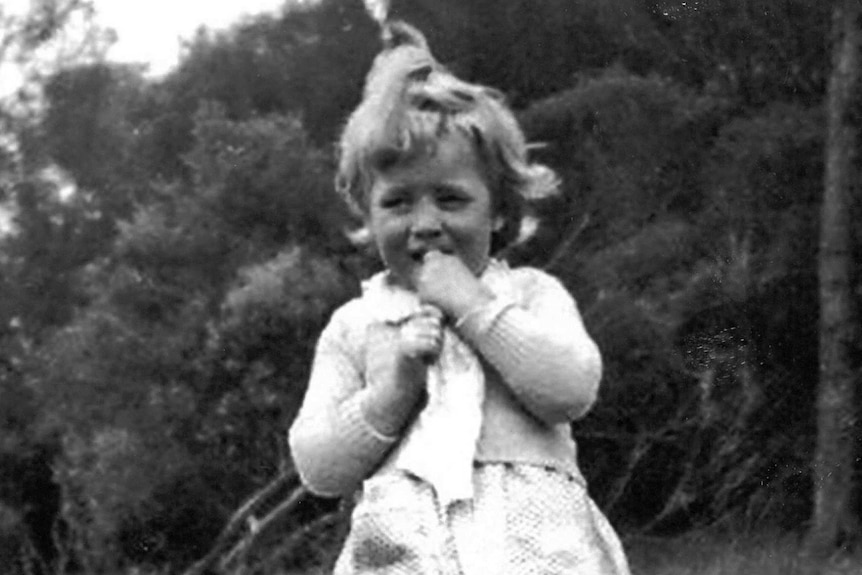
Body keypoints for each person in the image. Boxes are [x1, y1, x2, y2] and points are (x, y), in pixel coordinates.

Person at [289, 21, 631, 575]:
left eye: (450, 199)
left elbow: (571, 390)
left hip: (539, 553)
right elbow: (318, 467)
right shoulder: (356, 325)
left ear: (497, 209)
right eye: (398, 202)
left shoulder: (531, 295)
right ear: (367, 213)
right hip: (405, 555)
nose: (425, 224)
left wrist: (475, 307)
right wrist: (393, 391)